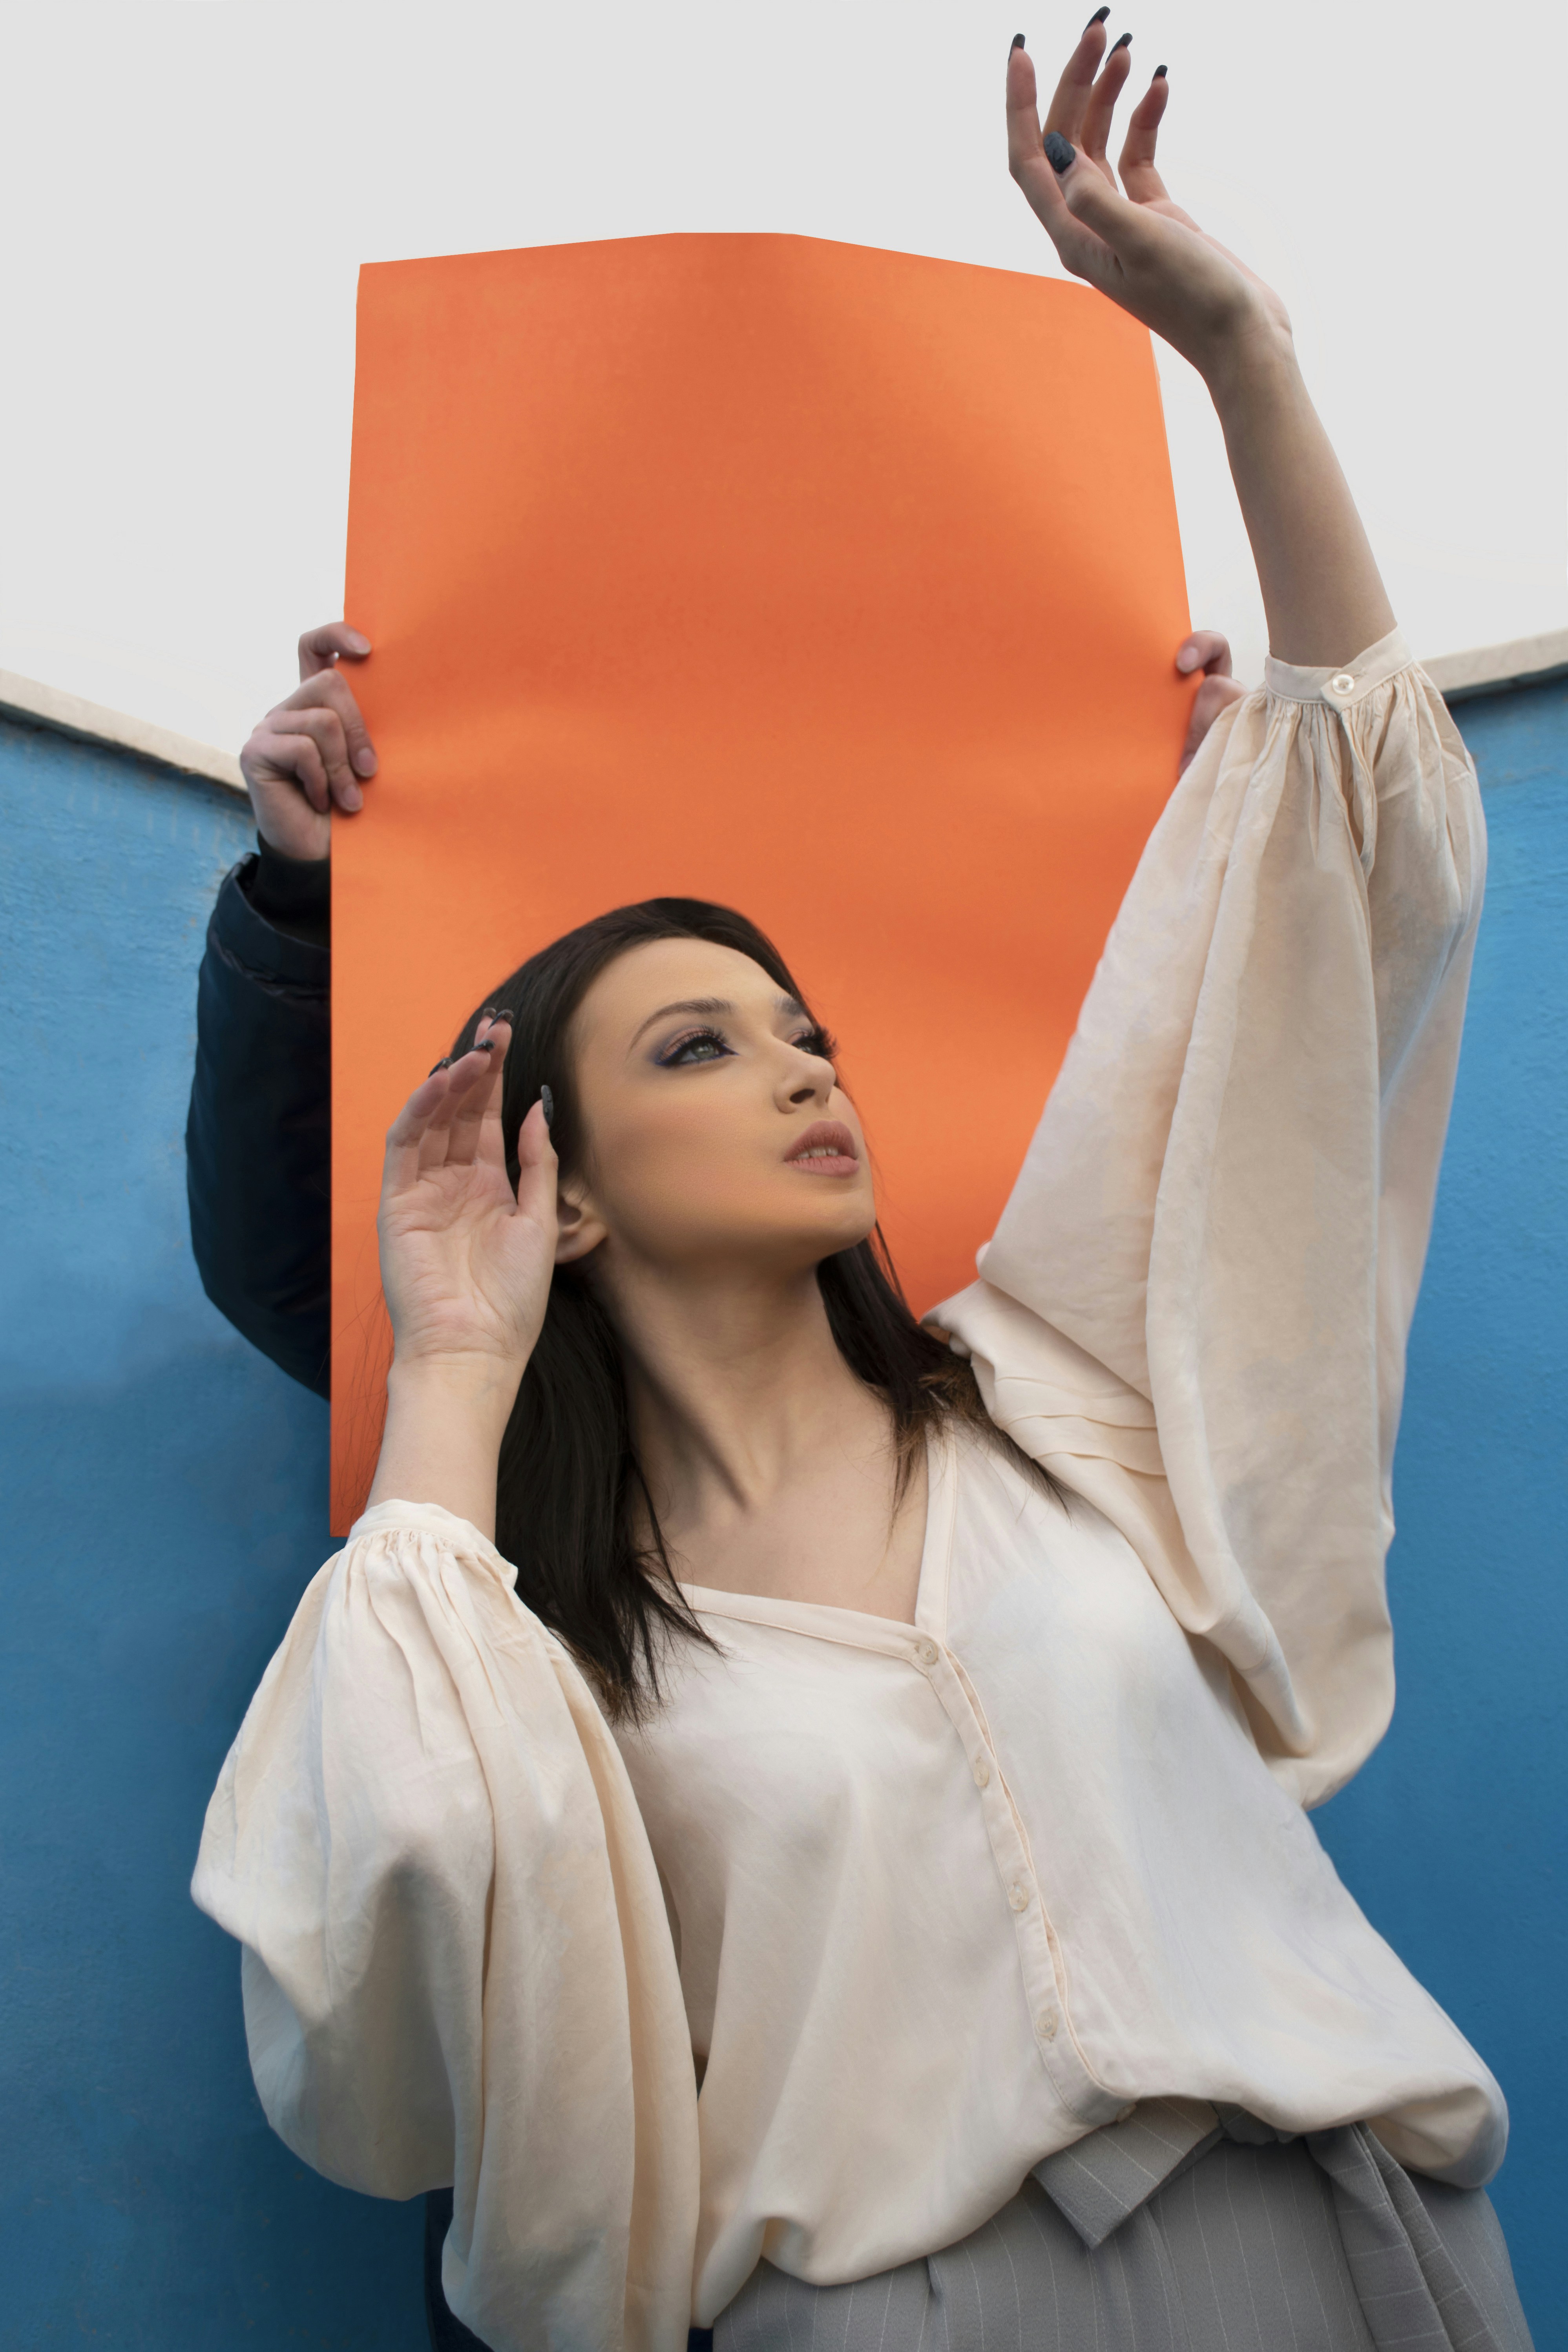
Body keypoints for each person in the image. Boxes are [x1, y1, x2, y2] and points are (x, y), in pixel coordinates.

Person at [187, 22, 1534, 2352]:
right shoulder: (528, 1634)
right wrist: (450, 1309)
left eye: (801, 1019)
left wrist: (1241, 356)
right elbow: (393, 1904)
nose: (805, 1059)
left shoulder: (1067, 1400)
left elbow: (1351, 888)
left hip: (1354, 2255)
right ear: (566, 1187)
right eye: (699, 1044)